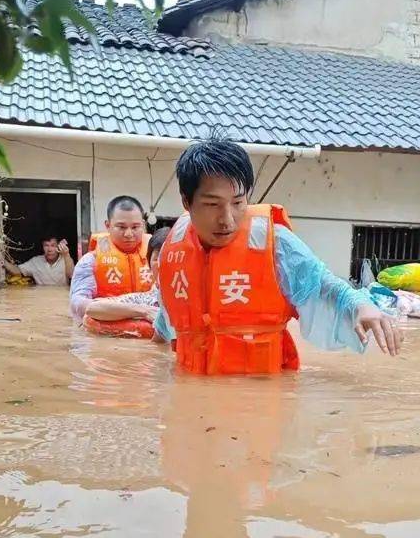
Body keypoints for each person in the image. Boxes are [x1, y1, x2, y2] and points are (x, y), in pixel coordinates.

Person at [155, 137, 402, 375]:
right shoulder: (173, 249)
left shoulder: (276, 244)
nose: (227, 219)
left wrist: (361, 304)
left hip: (261, 397)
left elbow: (323, 284)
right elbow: (168, 319)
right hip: (194, 399)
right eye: (212, 205)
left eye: (238, 203)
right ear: (187, 202)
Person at [70, 196, 152, 320]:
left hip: (151, 328)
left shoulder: (158, 256)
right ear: (108, 226)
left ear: (143, 225)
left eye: (135, 227)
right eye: (121, 227)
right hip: (106, 331)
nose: (129, 234)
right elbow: (78, 305)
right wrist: (138, 311)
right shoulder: (89, 261)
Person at [80, 227, 169, 325]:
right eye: (157, 258)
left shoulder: (187, 300)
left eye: (170, 257)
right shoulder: (144, 300)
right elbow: (92, 308)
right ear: (149, 264)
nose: (162, 264)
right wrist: (145, 311)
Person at [5, 237, 74, 286]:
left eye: (53, 245)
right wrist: (3, 262)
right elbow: (18, 271)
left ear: (58, 247)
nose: (49, 249)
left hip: (60, 299)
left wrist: (66, 254)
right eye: (46, 245)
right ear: (42, 247)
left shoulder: (66, 259)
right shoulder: (36, 261)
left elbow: (71, 275)